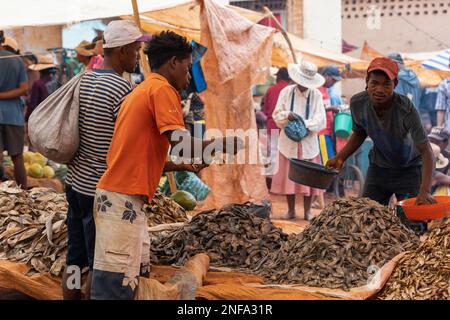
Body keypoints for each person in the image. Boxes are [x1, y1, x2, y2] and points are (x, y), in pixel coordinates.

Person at [90, 30, 242, 300]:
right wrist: (223, 144)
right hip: (120, 199)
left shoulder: (146, 88)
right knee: (114, 287)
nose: (188, 75)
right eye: (187, 67)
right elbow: (183, 145)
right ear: (173, 62)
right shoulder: (162, 89)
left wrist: (183, 167)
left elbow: (143, 156)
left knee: (133, 281)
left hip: (124, 199)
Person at [61, 20, 149, 300]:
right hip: (101, 193)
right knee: (100, 268)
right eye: (135, 50)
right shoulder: (124, 91)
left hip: (74, 184)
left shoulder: (84, 78)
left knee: (75, 260)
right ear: (122, 51)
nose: (137, 56)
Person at [326, 57, 435, 208]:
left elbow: (426, 150)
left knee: (412, 223)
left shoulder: (405, 108)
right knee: (367, 216)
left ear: (395, 84)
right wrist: (340, 157)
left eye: (386, 84)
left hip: (409, 169)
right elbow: (359, 133)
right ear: (367, 82)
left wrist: (425, 190)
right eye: (374, 83)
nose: (379, 89)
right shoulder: (358, 103)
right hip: (379, 168)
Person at [271, 61, 326, 221]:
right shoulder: (286, 92)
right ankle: (291, 210)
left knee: (308, 178)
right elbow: (276, 114)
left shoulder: (316, 95)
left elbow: (320, 120)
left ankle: (307, 211)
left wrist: (304, 124)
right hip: (288, 142)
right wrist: (287, 116)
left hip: (308, 143)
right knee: (290, 177)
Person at [0, 32, 28, 188]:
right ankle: (23, 192)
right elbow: (24, 89)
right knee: (17, 157)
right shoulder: (17, 61)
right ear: (3, 41)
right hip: (13, 116)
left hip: (9, 115)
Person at [261, 67, 290, 188]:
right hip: (287, 127)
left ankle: (272, 184)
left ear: (279, 76)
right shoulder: (290, 90)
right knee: (286, 155)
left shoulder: (270, 90)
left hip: (272, 126)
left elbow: (266, 110)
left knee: (273, 154)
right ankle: (285, 184)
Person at [26, 53, 59, 122]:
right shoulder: (57, 82)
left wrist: (27, 118)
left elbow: (32, 104)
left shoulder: (38, 84)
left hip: (42, 118)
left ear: (40, 70)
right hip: (55, 117)